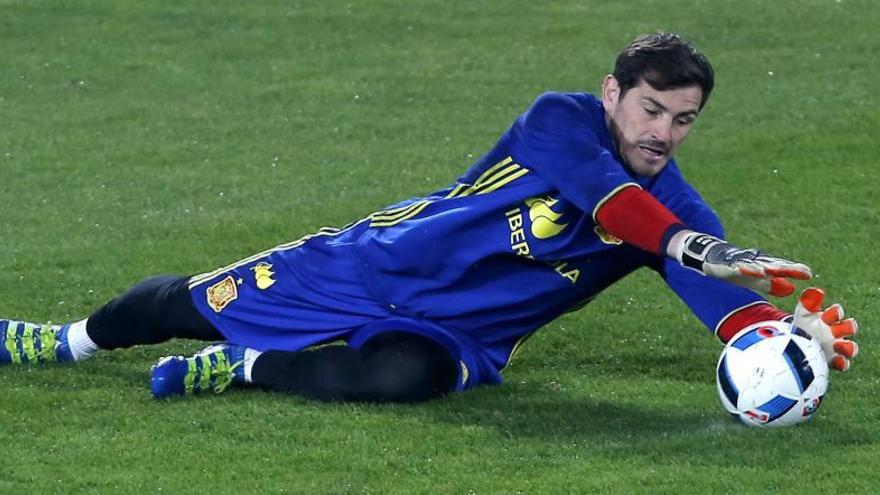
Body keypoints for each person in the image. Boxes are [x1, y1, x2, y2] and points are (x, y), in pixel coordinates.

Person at [1, 33, 858, 403]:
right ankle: (65, 337)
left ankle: (243, 369)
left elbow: (709, 288)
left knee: (402, 382)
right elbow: (615, 207)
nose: (662, 133)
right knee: (175, 305)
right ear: (613, 93)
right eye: (650, 110)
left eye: (683, 120)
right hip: (368, 265)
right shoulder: (559, 120)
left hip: (462, 338)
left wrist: (777, 338)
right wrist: (693, 243)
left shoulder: (670, 205)